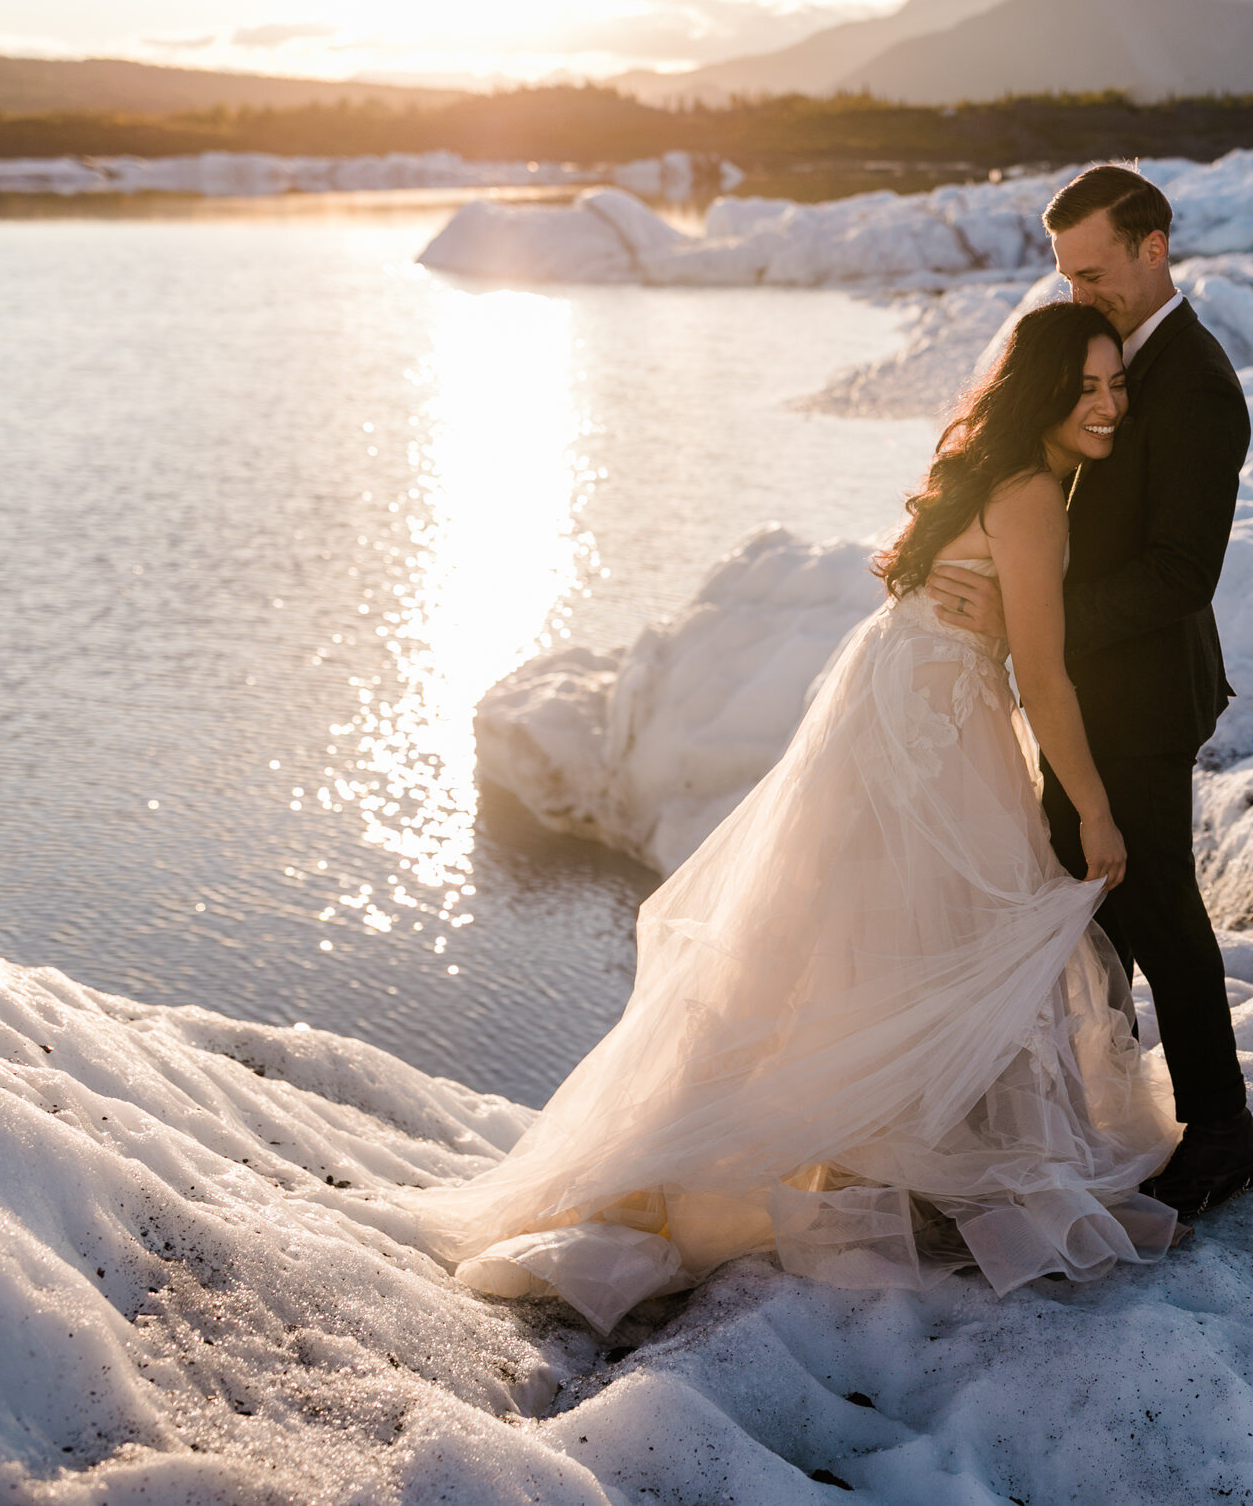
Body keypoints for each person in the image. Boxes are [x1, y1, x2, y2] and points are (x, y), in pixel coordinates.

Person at [408, 303, 1182, 1333]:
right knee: (966, 923)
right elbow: (1038, 671)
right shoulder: (1034, 491)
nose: (1108, 404)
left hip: (896, 701)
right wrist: (1094, 807)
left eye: (1115, 384)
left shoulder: (983, 470)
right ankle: (929, 1166)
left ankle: (882, 1152)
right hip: (943, 719)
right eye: (1085, 387)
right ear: (1041, 390)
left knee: (876, 930)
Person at [927, 163, 1253, 1219]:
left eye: (1092, 271)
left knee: (1154, 900)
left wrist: (1035, 621)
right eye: (1066, 276)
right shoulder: (1119, 356)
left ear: (1152, 246)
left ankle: (1222, 1128)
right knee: (1079, 905)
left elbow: (1180, 570)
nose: (1080, 293)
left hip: (1141, 694)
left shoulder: (1196, 381)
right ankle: (1074, 1102)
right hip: (1091, 689)